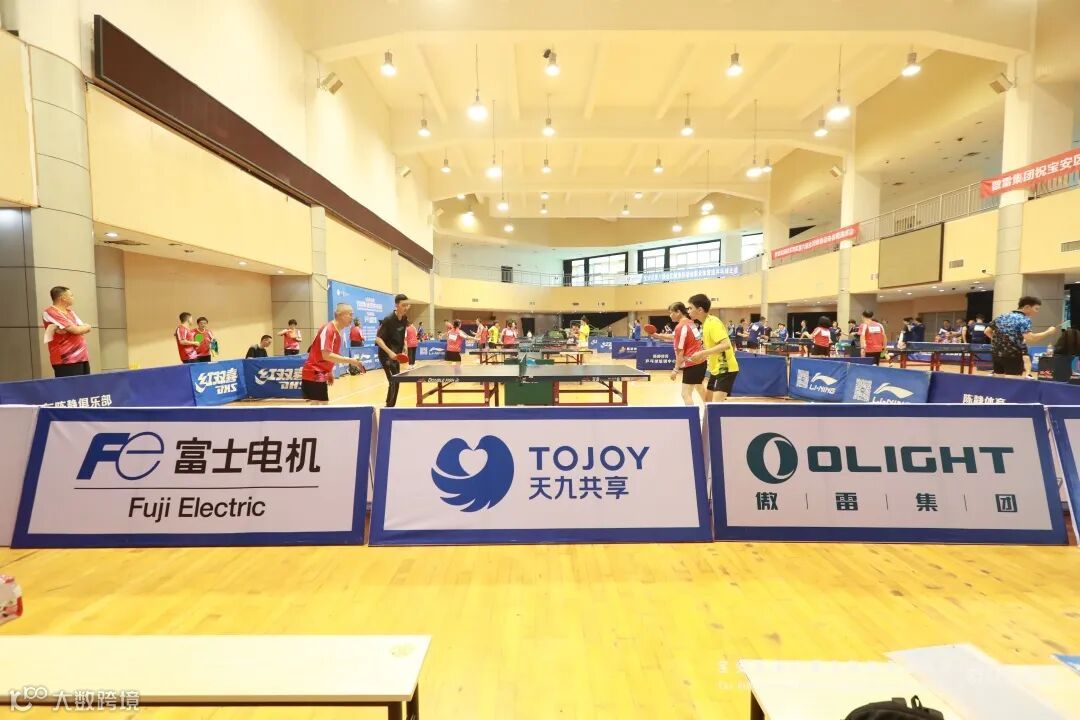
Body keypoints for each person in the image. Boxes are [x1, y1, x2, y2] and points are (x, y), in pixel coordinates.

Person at [300, 303, 367, 404]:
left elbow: (330, 354)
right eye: (350, 314)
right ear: (340, 314)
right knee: (318, 407)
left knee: (321, 406)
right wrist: (352, 361)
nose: (352, 318)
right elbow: (326, 355)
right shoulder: (329, 329)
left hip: (320, 373)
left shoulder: (337, 331)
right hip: (314, 372)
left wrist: (329, 371)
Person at [984, 295, 1057, 377]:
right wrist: (1048, 332)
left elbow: (987, 331)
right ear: (1027, 307)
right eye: (1036, 309)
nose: (1037, 312)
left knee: (999, 381)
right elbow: (1031, 338)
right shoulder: (1024, 319)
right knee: (1012, 382)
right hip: (1013, 356)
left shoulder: (1002, 316)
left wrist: (1000, 341)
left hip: (996, 355)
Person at [652, 302, 707, 406]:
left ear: (678, 312)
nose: (670, 315)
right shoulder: (691, 323)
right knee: (700, 388)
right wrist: (658, 335)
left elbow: (679, 351)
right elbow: (675, 337)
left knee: (685, 394)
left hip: (692, 364)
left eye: (671, 313)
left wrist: (675, 369)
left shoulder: (680, 327)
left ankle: (692, 416)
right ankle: (712, 410)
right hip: (701, 362)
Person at [686, 294, 739, 401]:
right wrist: (701, 356)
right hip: (715, 369)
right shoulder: (705, 324)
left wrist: (702, 353)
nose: (688, 311)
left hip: (725, 368)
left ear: (700, 310)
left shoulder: (713, 322)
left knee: (715, 406)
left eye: (690, 308)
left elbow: (725, 345)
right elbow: (712, 347)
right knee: (708, 401)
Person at [42, 286, 92, 377]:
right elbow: (76, 330)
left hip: (82, 357)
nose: (73, 298)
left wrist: (85, 327)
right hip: (65, 360)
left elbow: (86, 329)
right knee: (70, 386)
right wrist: (83, 327)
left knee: (85, 385)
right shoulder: (50, 312)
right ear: (63, 298)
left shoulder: (70, 312)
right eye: (71, 295)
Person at [374, 294, 410, 407]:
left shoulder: (404, 319)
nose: (406, 307)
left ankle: (389, 406)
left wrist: (404, 345)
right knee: (394, 381)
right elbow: (378, 339)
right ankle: (389, 408)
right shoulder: (389, 320)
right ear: (396, 305)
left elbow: (402, 334)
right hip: (386, 356)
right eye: (403, 305)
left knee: (396, 381)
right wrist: (389, 352)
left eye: (407, 305)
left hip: (396, 356)